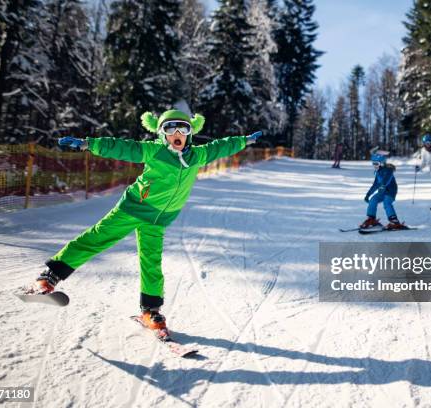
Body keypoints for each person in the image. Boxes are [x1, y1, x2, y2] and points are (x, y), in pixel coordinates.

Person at [27, 109, 262, 336]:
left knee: (151, 263)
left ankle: (150, 311)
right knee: (96, 238)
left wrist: (244, 141)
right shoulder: (154, 151)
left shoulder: (197, 156)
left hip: (158, 220)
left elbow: (220, 146)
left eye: (182, 128)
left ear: (189, 133)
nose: (176, 133)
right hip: (134, 208)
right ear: (162, 133)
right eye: (170, 129)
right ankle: (49, 276)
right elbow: (122, 148)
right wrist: (90, 144)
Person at [360, 154, 404, 230]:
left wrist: (383, 185)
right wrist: (368, 194)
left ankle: (394, 221)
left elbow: (387, 179)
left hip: (390, 191)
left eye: (376, 164)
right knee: (373, 200)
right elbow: (375, 185)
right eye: (373, 163)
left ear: (382, 163)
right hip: (382, 191)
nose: (374, 166)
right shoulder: (378, 172)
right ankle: (371, 218)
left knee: (386, 202)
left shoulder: (389, 170)